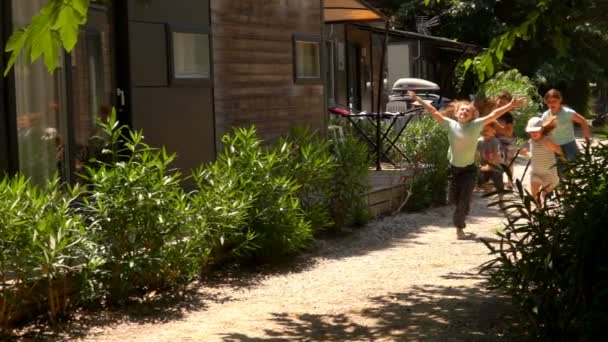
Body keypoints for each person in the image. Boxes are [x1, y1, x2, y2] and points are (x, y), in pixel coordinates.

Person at [408, 90, 525, 239]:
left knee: (463, 200)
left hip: (469, 170)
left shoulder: (475, 125)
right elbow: (433, 111)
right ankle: (464, 208)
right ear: (457, 113)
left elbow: (493, 115)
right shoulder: (450, 124)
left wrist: (510, 105)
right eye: (462, 110)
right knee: (453, 201)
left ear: (472, 116)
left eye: (468, 111)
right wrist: (418, 98)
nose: (464, 112)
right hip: (453, 169)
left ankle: (459, 228)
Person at [521, 116, 564, 207]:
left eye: (536, 130)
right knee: (534, 195)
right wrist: (525, 154)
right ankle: (539, 212)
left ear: (541, 130)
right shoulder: (531, 141)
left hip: (548, 173)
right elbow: (535, 157)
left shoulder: (546, 140)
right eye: (531, 131)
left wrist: (564, 157)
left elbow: (559, 150)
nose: (534, 133)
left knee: (543, 195)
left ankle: (544, 210)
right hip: (536, 172)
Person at [541, 89, 591, 161]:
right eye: (549, 102)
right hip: (555, 145)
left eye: (554, 101)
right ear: (546, 102)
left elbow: (583, 121)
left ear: (560, 100)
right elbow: (542, 130)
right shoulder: (545, 115)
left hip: (569, 143)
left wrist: (586, 135)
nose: (552, 104)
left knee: (574, 164)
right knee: (560, 168)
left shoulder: (567, 113)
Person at [493, 91, 516, 189]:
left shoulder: (508, 116)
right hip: (495, 139)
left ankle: (510, 181)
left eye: (504, 103)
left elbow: (509, 133)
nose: (501, 104)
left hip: (508, 140)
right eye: (500, 101)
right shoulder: (492, 113)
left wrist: (496, 125)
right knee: (496, 160)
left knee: (509, 162)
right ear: (496, 100)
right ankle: (498, 181)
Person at [477, 124, 504, 193]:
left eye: (487, 130)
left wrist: (489, 166)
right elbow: (475, 153)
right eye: (484, 130)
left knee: (498, 184)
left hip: (496, 166)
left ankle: (500, 197)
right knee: (481, 180)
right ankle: (486, 186)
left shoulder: (495, 141)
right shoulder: (479, 141)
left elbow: (496, 155)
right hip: (484, 164)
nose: (485, 131)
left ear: (493, 131)